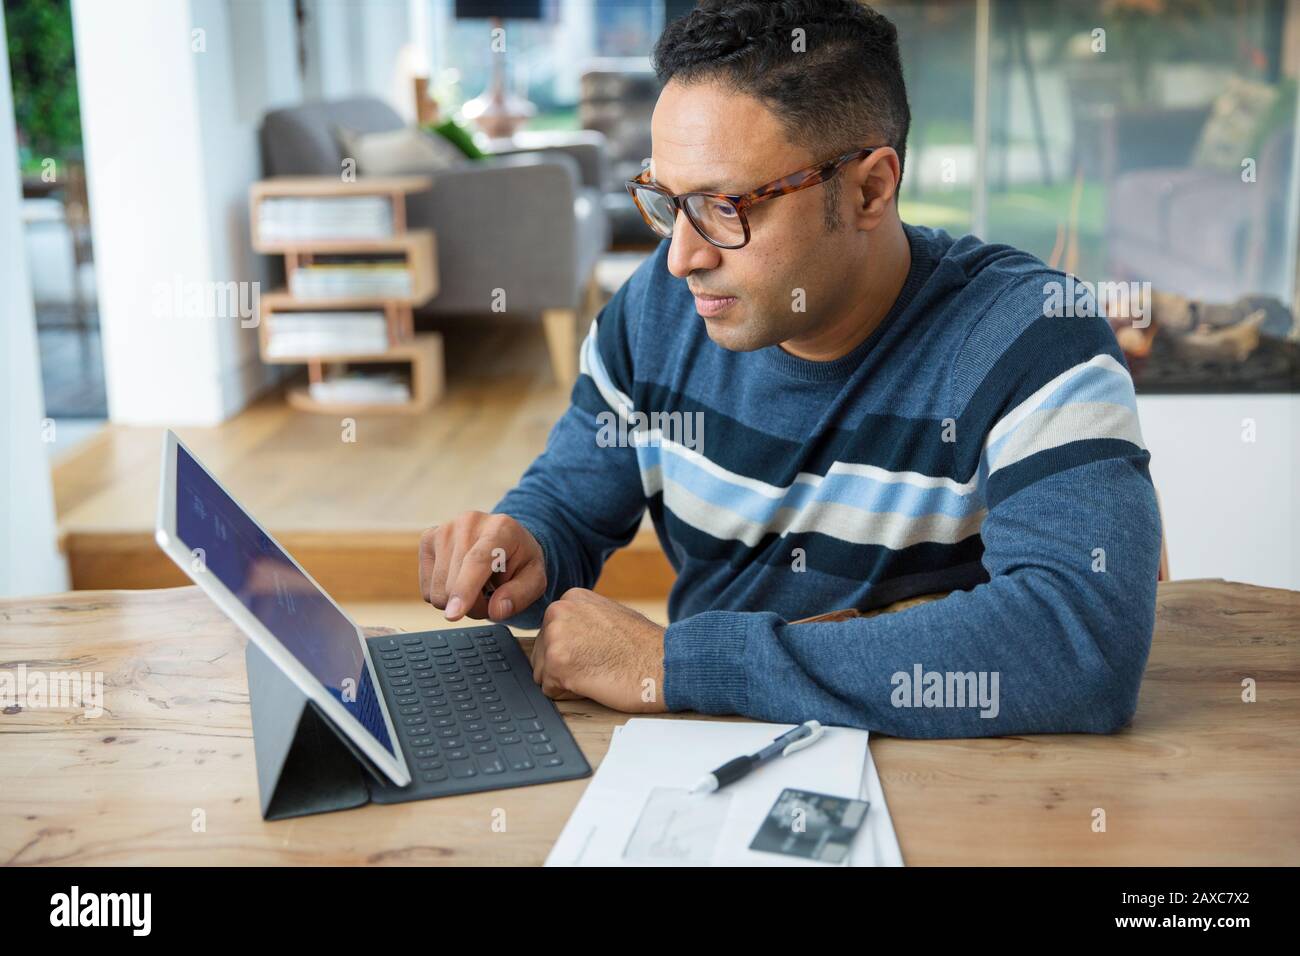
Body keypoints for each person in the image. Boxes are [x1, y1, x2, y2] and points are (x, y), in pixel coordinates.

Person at [417, 0, 1160, 737]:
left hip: (953, 780)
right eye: (668, 202)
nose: (682, 256)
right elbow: (573, 504)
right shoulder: (658, 308)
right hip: (702, 757)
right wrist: (525, 543)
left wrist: (682, 664)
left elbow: (1080, 640)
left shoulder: (1029, 336)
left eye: (724, 206)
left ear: (870, 189)